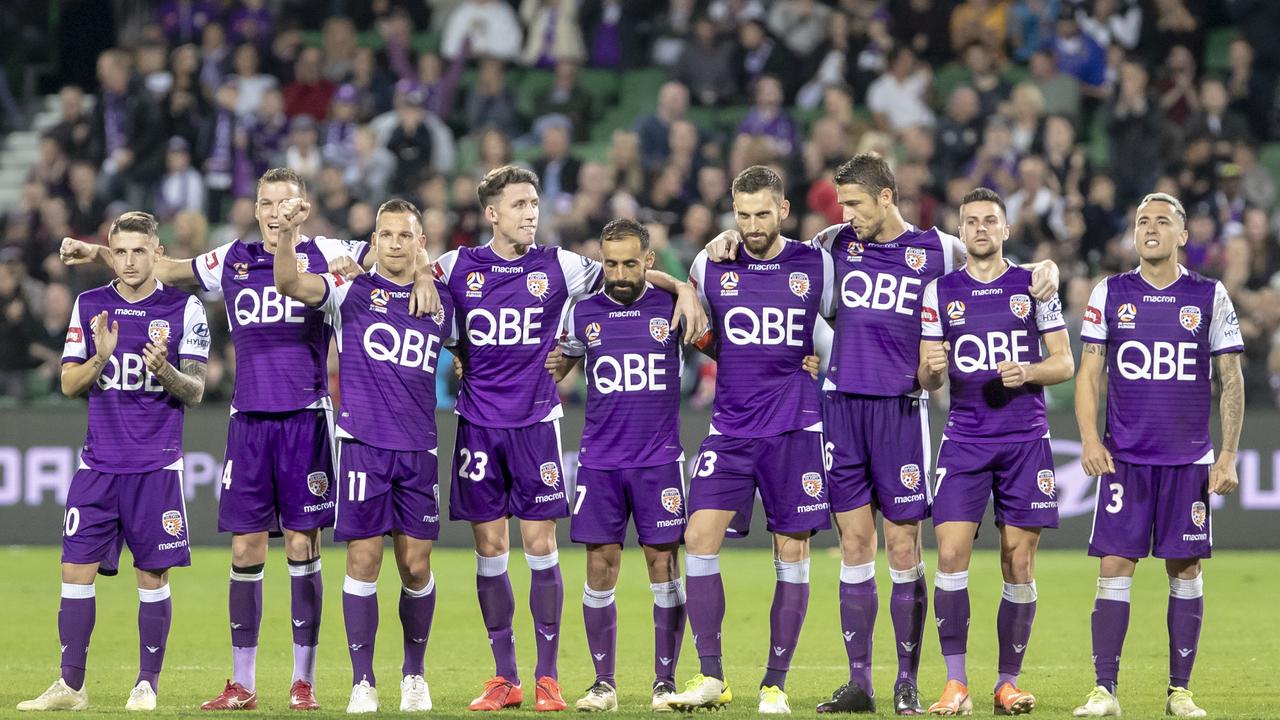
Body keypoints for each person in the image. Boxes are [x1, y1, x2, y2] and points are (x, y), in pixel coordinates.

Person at [59, 168, 440, 711]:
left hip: (307, 418)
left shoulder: (331, 251)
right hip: (249, 422)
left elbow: (398, 243)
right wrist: (101, 252)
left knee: (304, 548)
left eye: (286, 202)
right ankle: (243, 682)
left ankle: (302, 682)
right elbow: (163, 267)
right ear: (256, 207)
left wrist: (424, 271)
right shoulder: (230, 259)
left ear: (303, 206)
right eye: (267, 202)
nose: (276, 211)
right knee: (245, 548)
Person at [705, 153, 1058, 714]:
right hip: (840, 410)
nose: (845, 214)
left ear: (887, 196)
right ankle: (861, 682)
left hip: (901, 411)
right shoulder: (831, 247)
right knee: (853, 545)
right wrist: (722, 240)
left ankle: (908, 680)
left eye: (855, 203)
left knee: (902, 546)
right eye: (841, 203)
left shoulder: (937, 249)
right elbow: (766, 252)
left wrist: (1048, 272)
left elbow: (994, 264)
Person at [431, 166, 705, 712]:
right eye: (518, 204)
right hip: (478, 425)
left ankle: (549, 678)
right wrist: (418, 279)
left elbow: (626, 274)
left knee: (540, 546)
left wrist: (679, 284)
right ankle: (504, 677)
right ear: (492, 213)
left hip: (536, 424)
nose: (530, 212)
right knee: (489, 549)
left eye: (534, 202)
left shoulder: (562, 267)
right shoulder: (455, 266)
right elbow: (413, 276)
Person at [18, 212, 208, 711]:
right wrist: (101, 357)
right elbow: (67, 384)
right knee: (74, 571)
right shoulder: (90, 304)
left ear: (157, 252)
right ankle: (71, 686)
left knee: (152, 576)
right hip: (97, 465)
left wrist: (164, 368)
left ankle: (146, 682)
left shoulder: (184, 308)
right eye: (119, 251)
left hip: (156, 467)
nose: (128, 261)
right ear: (110, 251)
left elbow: (195, 391)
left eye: (139, 251)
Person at [273, 197, 453, 713]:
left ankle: (413, 676)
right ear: (373, 242)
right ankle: (363, 681)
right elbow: (289, 283)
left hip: (419, 450)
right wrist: (287, 234)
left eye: (405, 236)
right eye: (386, 235)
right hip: (362, 449)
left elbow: (476, 350)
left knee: (416, 567)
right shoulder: (348, 290)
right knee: (363, 561)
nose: (395, 243)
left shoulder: (442, 299)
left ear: (421, 243)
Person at [666, 165, 835, 714]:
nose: (754, 224)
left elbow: (847, 326)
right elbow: (703, 328)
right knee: (697, 539)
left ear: (784, 210)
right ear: (732, 213)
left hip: (794, 428)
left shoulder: (817, 262)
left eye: (764, 213)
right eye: (743, 214)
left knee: (791, 550)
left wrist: (821, 362)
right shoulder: (710, 264)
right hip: (731, 428)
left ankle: (775, 683)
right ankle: (712, 675)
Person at [1072, 193, 1244, 719]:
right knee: (1115, 564)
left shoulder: (1209, 296)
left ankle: (1179, 693)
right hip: (1125, 459)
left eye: (1162, 221)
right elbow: (1088, 372)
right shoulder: (1110, 291)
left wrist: (1229, 454)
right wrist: (1089, 439)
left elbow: (1230, 378)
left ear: (1182, 235)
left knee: (1185, 569)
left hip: (1188, 461)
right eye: (1142, 220)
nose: (1150, 228)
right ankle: (1105, 690)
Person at [917, 187, 1074, 715]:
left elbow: (1064, 363)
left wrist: (1026, 372)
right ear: (960, 232)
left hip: (1024, 441)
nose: (980, 228)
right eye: (971, 221)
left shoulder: (1033, 285)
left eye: (990, 220)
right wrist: (932, 372)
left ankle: (1007, 683)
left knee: (1018, 560)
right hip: (964, 439)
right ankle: (955, 683)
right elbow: (926, 373)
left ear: (1006, 229)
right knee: (951, 555)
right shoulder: (939, 292)